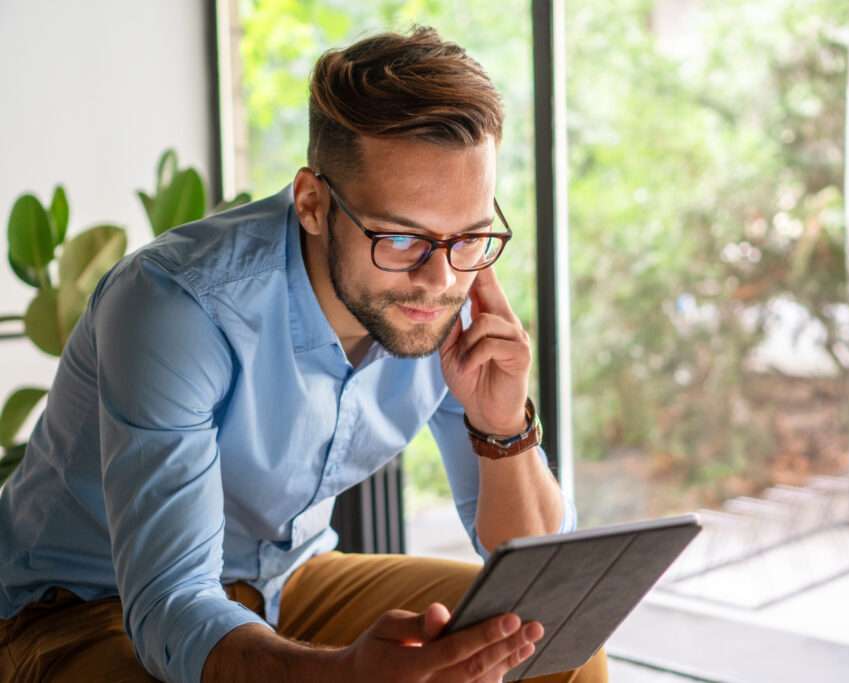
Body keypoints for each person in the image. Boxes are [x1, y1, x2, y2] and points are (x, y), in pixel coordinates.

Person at [0, 26, 607, 683]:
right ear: (314, 204)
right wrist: (344, 673)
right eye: (402, 238)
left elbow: (542, 573)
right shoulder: (175, 306)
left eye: (470, 235)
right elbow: (171, 607)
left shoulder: (445, 291)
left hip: (289, 580)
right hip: (80, 606)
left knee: (554, 650)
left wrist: (502, 428)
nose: (441, 280)